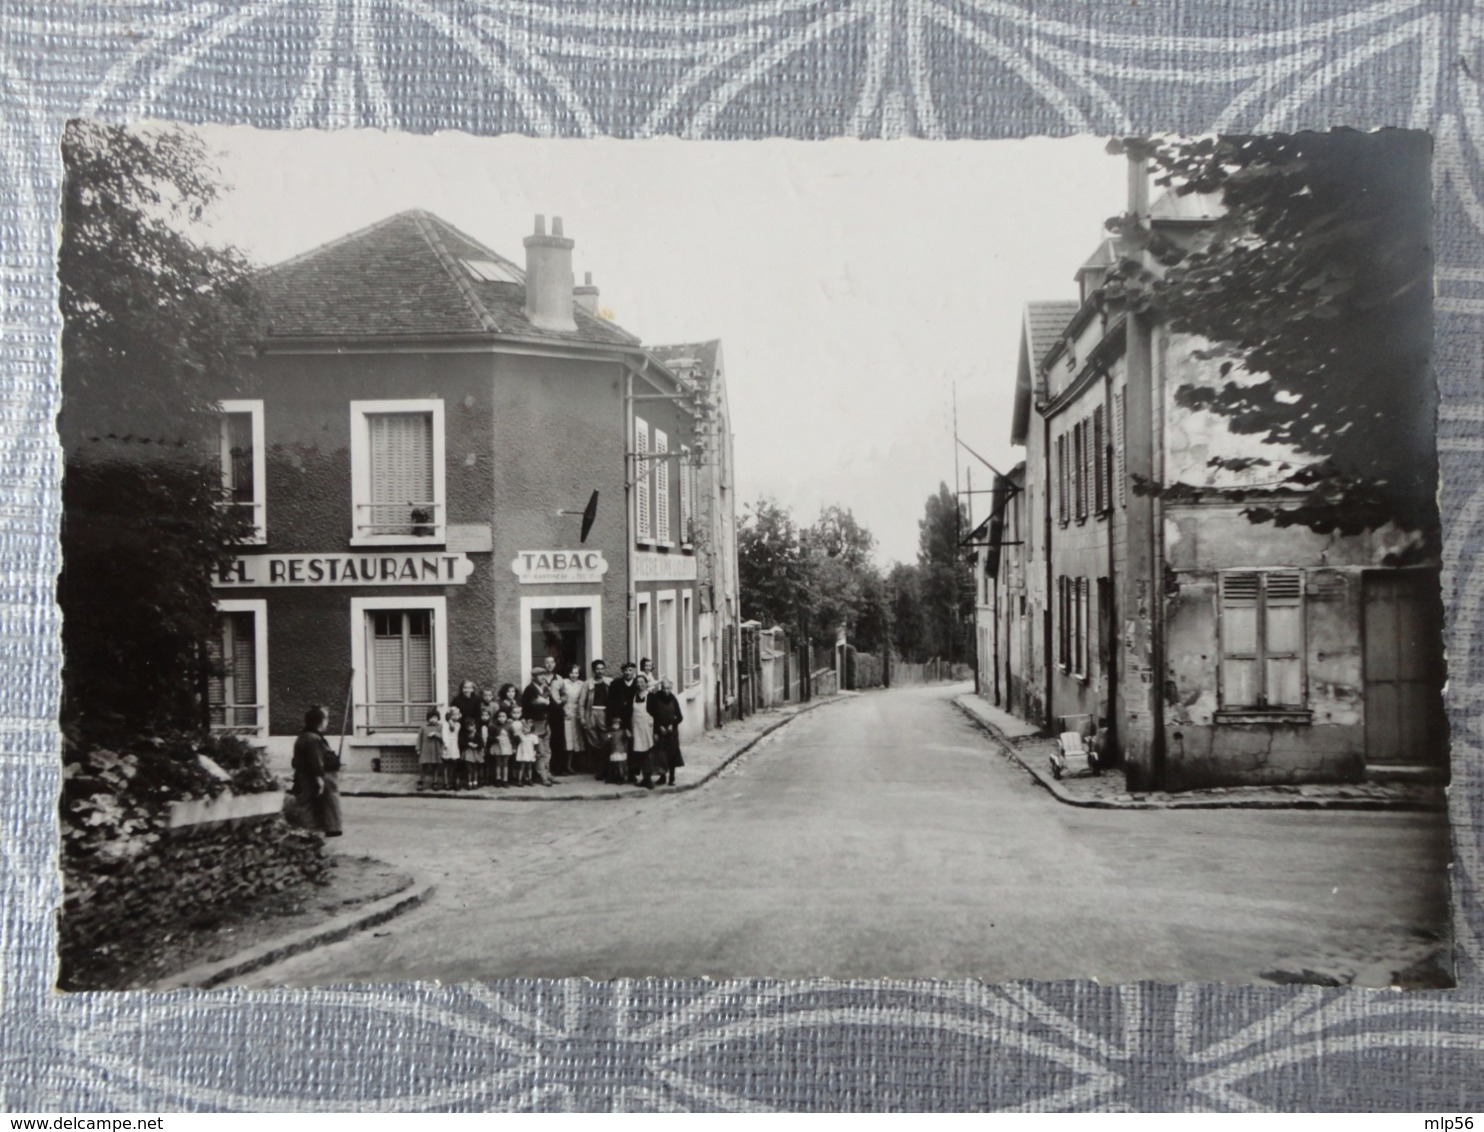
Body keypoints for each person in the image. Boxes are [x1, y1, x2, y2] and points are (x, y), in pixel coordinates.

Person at [291, 705, 343, 836]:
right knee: (310, 804)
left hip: (310, 776)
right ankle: (308, 833)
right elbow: (316, 760)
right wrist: (319, 778)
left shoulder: (309, 736)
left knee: (317, 804)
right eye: (326, 719)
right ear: (320, 721)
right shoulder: (312, 738)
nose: (328, 722)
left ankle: (321, 830)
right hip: (312, 777)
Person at [648, 676, 686, 787]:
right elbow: (652, 715)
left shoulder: (673, 699)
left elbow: (679, 717)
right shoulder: (656, 698)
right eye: (664, 688)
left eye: (668, 688)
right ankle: (662, 776)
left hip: (671, 733)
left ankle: (672, 778)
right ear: (661, 687)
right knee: (661, 755)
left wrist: (672, 725)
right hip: (660, 731)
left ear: (671, 688)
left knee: (672, 755)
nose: (666, 691)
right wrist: (658, 727)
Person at [606, 661, 640, 784]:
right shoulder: (615, 684)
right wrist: (612, 720)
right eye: (625, 670)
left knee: (633, 747)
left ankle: (632, 773)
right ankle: (618, 774)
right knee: (618, 748)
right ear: (622, 672)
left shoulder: (638, 684)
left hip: (634, 720)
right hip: (619, 721)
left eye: (630, 670)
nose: (628, 672)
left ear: (634, 672)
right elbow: (610, 703)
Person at [585, 659, 611, 778]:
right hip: (592, 713)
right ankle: (598, 769)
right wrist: (582, 718)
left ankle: (606, 769)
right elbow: (582, 702)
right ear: (593, 670)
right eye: (597, 669)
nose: (600, 671)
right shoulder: (588, 684)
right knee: (594, 741)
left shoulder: (609, 682)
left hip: (605, 713)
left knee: (605, 740)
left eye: (602, 669)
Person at [630, 674, 655, 787]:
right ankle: (642, 778)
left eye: (642, 682)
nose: (640, 685)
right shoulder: (632, 697)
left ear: (646, 684)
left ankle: (648, 779)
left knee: (648, 754)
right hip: (635, 729)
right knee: (638, 754)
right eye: (637, 682)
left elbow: (657, 715)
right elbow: (628, 713)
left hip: (647, 729)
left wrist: (656, 732)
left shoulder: (651, 697)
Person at [416, 707, 444, 791]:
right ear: (428, 718)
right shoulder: (423, 727)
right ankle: (421, 782)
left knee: (435, 766)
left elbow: (444, 737)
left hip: (436, 749)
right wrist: (418, 749)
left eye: (435, 717)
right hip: (425, 750)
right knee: (423, 766)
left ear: (438, 718)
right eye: (431, 718)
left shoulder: (440, 727)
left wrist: (436, 734)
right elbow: (419, 738)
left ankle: (435, 782)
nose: (433, 719)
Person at [489, 707, 513, 787]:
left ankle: (505, 780)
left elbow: (512, 737)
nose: (501, 718)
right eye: (499, 716)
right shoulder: (493, 726)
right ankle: (498, 779)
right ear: (496, 717)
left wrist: (513, 746)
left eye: (503, 716)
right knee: (498, 763)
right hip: (498, 746)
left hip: (506, 746)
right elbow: (489, 737)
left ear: (507, 717)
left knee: (505, 763)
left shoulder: (509, 726)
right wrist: (495, 738)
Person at [515, 715, 542, 786]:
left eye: (527, 728)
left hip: (530, 752)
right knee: (522, 766)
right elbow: (516, 738)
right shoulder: (521, 735)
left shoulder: (533, 736)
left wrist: (535, 752)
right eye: (524, 728)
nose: (525, 730)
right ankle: (519, 780)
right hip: (523, 752)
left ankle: (530, 779)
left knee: (530, 766)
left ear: (531, 729)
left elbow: (536, 745)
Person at [441, 706, 463, 790]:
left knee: (454, 764)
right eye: (454, 715)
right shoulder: (445, 724)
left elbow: (454, 729)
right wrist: (446, 744)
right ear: (449, 715)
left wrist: (451, 722)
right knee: (446, 764)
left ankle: (454, 782)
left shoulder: (458, 724)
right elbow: (445, 735)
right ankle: (446, 782)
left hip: (454, 745)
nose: (456, 716)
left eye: (457, 714)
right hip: (447, 744)